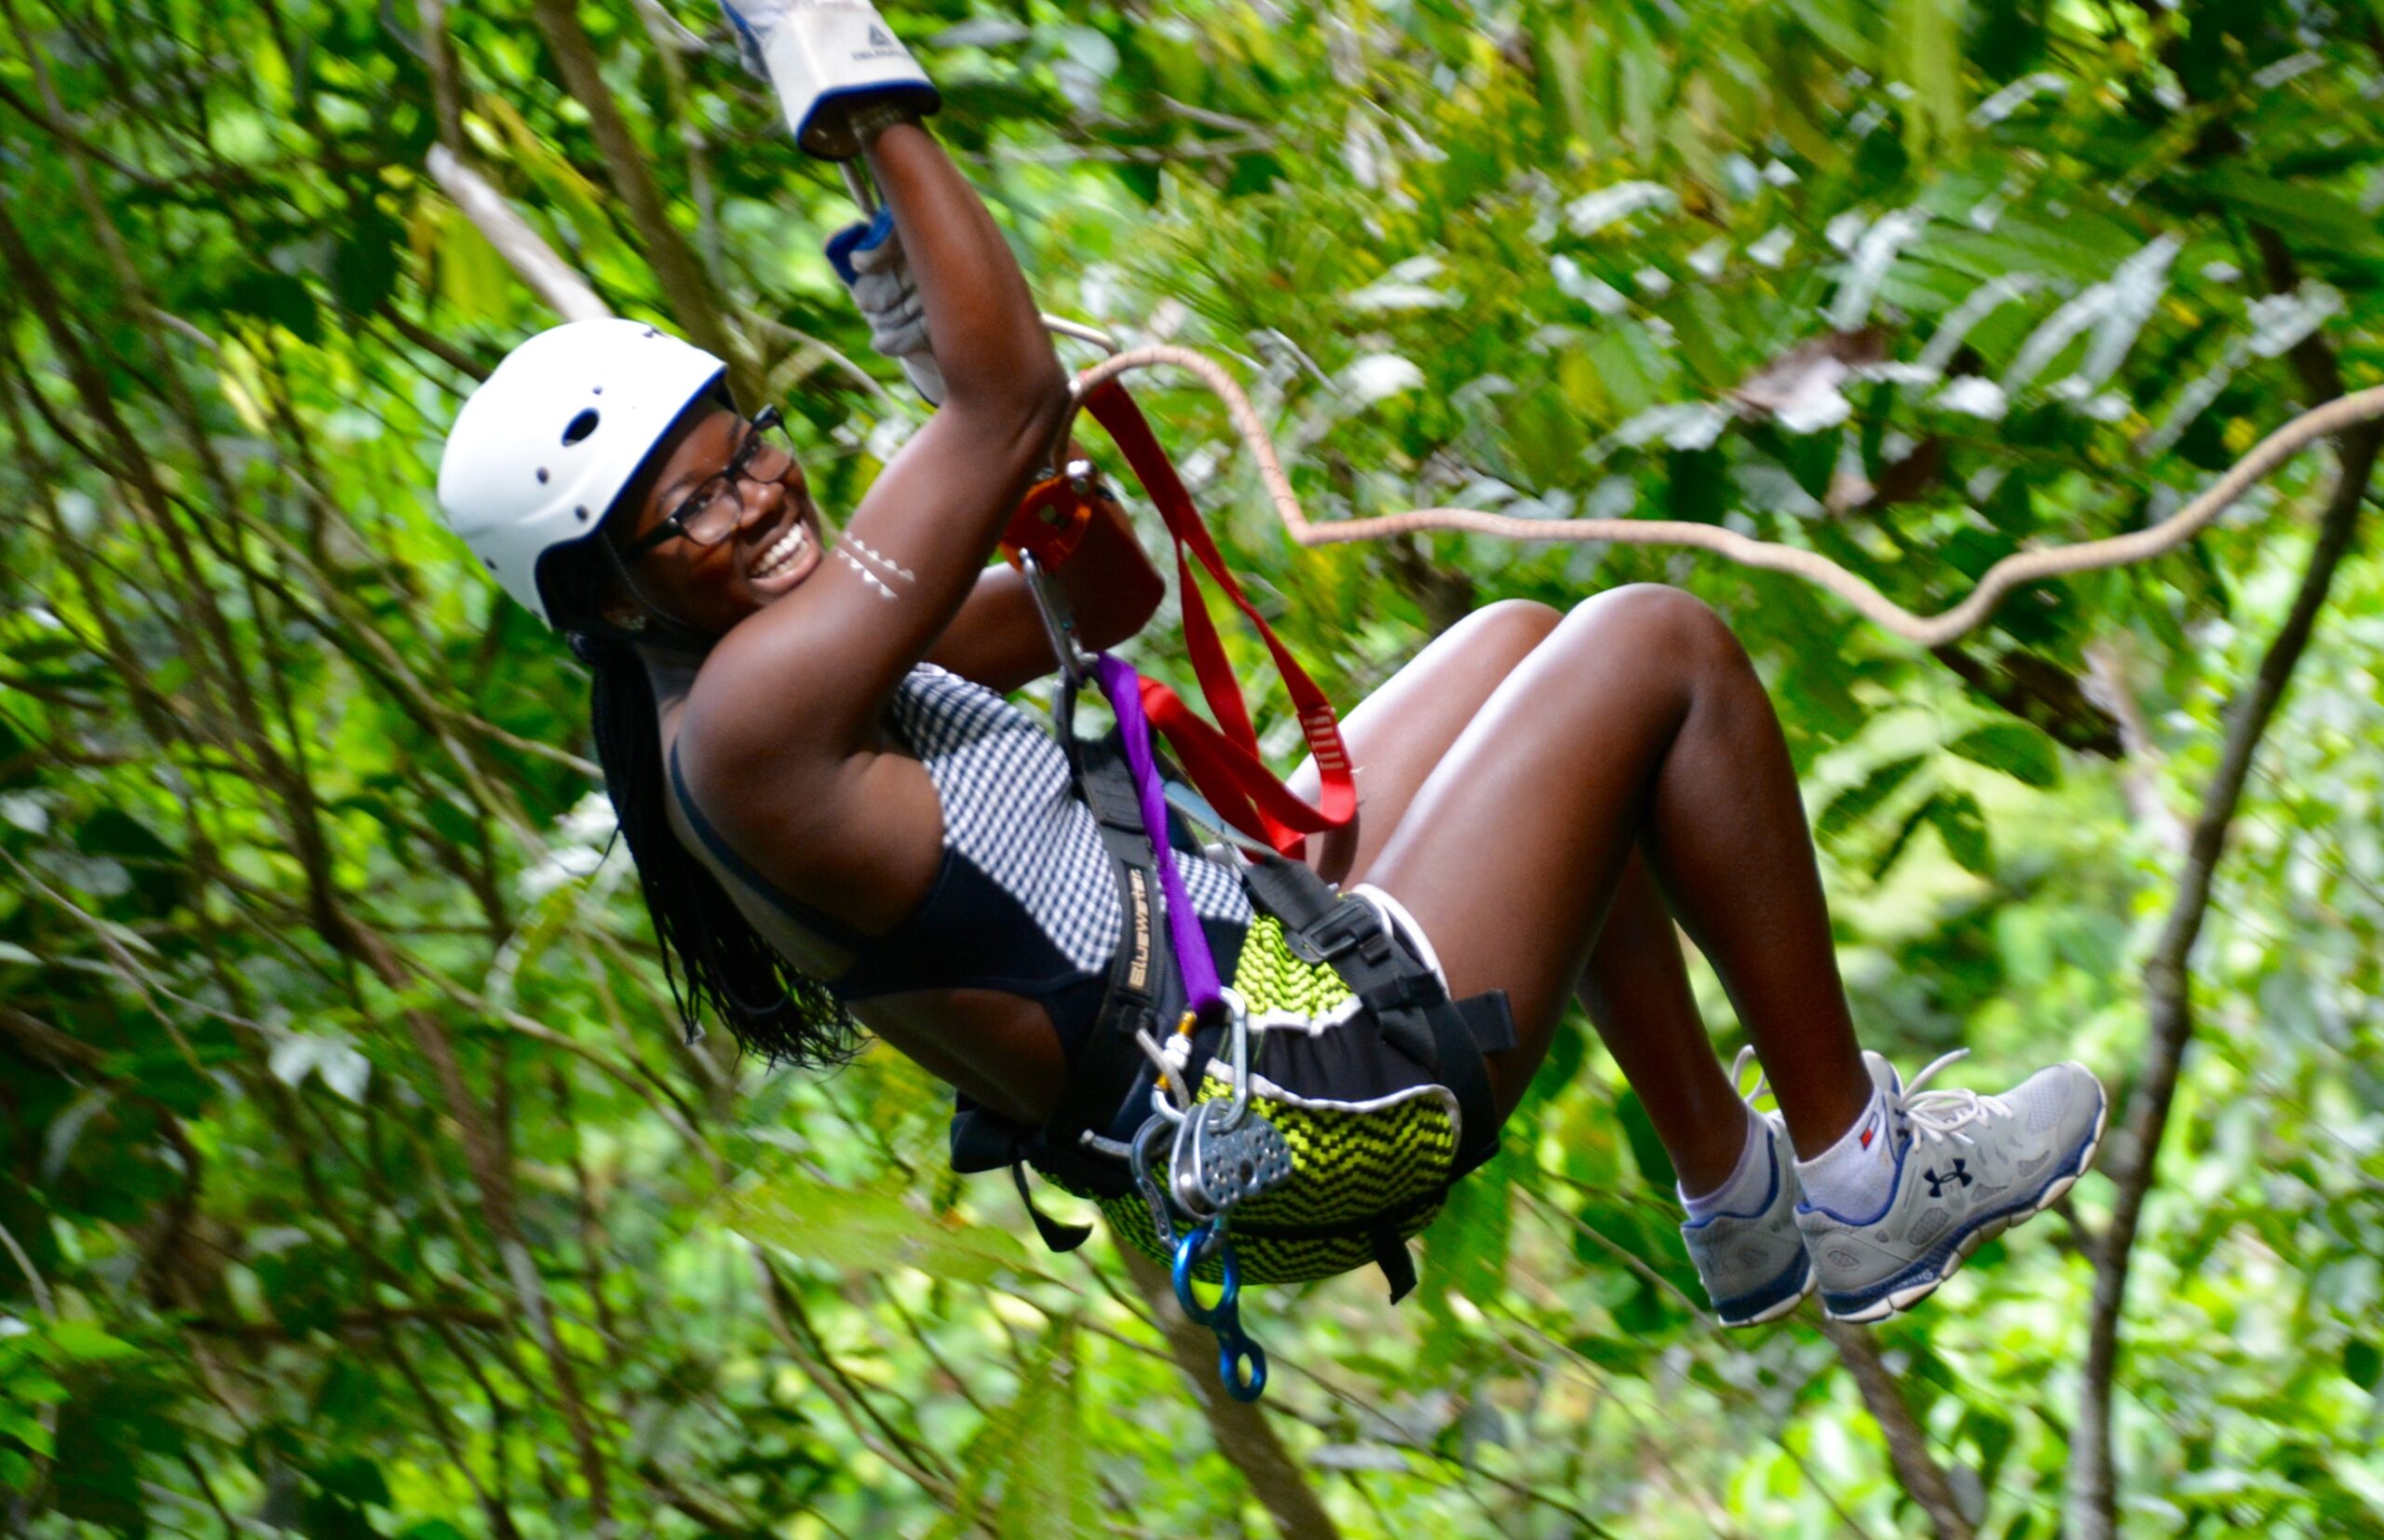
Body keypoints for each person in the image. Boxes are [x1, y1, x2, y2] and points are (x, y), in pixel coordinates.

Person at [435, 84, 2104, 1329]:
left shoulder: (782, 661)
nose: (759, 505)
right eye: (694, 514)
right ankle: (1861, 1178)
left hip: (1264, 979)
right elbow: (1018, 395)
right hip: (1297, 1097)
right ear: (607, 599)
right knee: (1655, 648)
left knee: (1530, 639)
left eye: (749, 452)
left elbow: (1100, 602)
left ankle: (1739, 1197)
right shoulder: (741, 727)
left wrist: (963, 408)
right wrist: (864, 100)